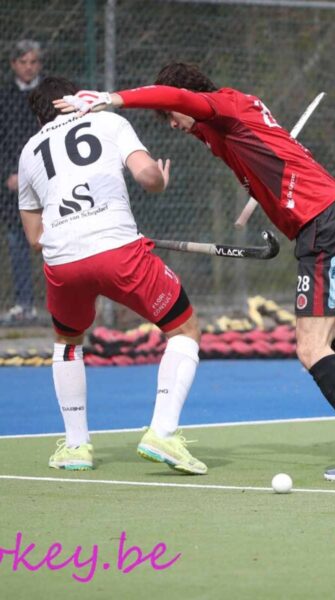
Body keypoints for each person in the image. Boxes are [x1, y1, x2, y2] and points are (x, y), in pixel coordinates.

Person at [56, 63, 335, 482]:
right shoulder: (220, 125)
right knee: (324, 337)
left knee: (311, 348)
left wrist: (112, 99)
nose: (172, 125)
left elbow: (179, 98)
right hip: (326, 221)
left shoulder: (223, 105)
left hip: (325, 222)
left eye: (170, 117)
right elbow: (206, 124)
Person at [19, 76, 207, 475]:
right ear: (75, 98)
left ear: (39, 117)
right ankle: (162, 433)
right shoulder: (109, 121)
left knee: (68, 342)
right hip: (119, 253)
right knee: (184, 328)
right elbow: (147, 177)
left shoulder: (29, 151)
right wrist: (160, 180)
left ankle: (76, 447)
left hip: (63, 262)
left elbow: (35, 238)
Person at [0, 40, 43, 323]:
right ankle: (24, 304)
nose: (29, 67)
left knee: (56, 239)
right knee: (17, 241)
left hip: (46, 179)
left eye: (33, 62)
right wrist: (8, 173)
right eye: (23, 62)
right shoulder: (4, 97)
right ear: (13, 64)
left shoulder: (47, 95)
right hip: (12, 185)